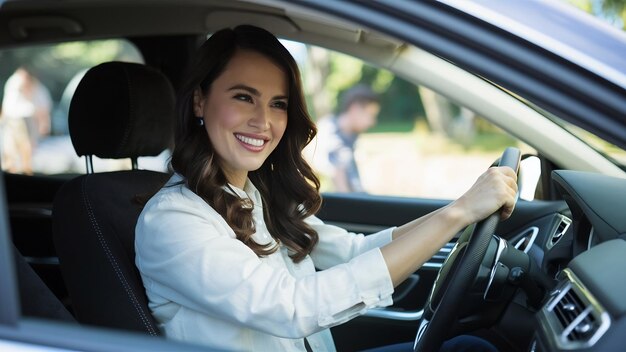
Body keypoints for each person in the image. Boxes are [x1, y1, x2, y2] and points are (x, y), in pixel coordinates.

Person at [134, 25, 516, 352]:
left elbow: (355, 251)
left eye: (278, 103)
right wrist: (460, 213)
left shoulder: (257, 194)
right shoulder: (171, 220)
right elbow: (292, 307)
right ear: (200, 101)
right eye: (243, 97)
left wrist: (461, 209)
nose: (263, 121)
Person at [315, 85, 379, 192]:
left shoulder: (351, 136)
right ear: (355, 109)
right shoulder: (330, 132)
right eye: (370, 115)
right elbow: (340, 183)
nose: (373, 122)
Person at [0, 66, 52, 174]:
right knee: (10, 148)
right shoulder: (13, 83)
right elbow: (8, 104)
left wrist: (44, 123)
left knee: (27, 148)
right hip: (12, 119)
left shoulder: (38, 88)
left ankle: (26, 171)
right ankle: (12, 172)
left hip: (27, 119)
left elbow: (43, 107)